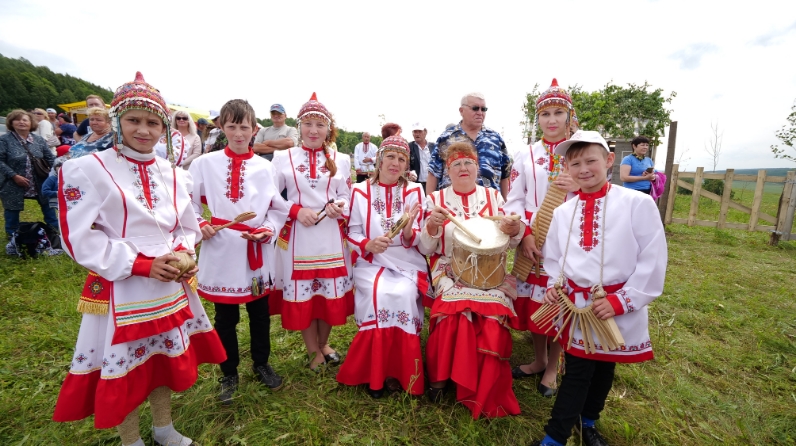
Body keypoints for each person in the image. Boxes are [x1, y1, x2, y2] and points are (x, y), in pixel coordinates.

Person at [52, 72, 226, 446]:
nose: (143, 130)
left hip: (169, 285)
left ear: (164, 128)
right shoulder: (88, 170)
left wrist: (184, 252)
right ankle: (131, 440)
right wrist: (141, 264)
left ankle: (164, 430)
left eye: (152, 122)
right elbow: (77, 238)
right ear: (117, 120)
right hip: (123, 286)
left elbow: (188, 225)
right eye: (133, 120)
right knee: (126, 366)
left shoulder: (174, 174)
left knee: (161, 361)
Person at [530, 130, 667, 446]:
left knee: (605, 368)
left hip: (615, 305)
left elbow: (653, 257)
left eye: (590, 161)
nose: (583, 170)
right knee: (578, 371)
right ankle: (555, 437)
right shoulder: (563, 212)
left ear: (609, 160)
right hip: (578, 309)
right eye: (575, 164)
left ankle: (588, 422)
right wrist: (554, 285)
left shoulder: (637, 203)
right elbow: (555, 257)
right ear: (567, 168)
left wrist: (622, 301)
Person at [190, 99, 290, 405]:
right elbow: (187, 203)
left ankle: (261, 363)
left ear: (254, 129)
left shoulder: (266, 167)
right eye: (231, 126)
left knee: (259, 313)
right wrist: (200, 224)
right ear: (221, 126)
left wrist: (268, 230)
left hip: (254, 249)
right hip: (221, 247)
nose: (238, 133)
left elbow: (277, 209)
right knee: (225, 317)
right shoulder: (204, 164)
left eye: (244, 127)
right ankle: (229, 371)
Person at [419, 141, 522, 419]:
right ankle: (440, 378)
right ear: (447, 170)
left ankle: (484, 387)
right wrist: (432, 225)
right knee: (455, 312)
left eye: (468, 163)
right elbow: (426, 247)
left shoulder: (494, 197)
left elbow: (512, 242)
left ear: (477, 167)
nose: (463, 168)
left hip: (491, 271)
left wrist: (514, 229)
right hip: (448, 266)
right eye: (456, 164)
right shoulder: (435, 200)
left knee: (492, 317)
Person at [503, 78, 580, 397]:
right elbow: (514, 199)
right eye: (545, 114)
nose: (551, 120)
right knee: (535, 301)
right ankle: (539, 359)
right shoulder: (526, 154)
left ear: (569, 116)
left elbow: (598, 190)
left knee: (560, 299)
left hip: (570, 238)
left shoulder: (580, 152)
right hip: (533, 238)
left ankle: (553, 365)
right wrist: (524, 234)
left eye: (558, 113)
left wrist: (578, 187)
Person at [336, 136, 427, 398]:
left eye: (402, 159)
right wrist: (369, 244)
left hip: (406, 260)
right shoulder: (359, 191)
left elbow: (417, 236)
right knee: (379, 295)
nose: (395, 163)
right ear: (379, 159)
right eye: (391, 157)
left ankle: (400, 371)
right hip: (371, 261)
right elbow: (352, 232)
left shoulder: (414, 190)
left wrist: (408, 229)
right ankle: (376, 374)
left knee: (403, 295)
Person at [271, 93, 354, 371]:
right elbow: (272, 196)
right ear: (299, 127)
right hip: (300, 237)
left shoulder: (341, 159)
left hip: (331, 235)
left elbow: (347, 195)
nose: (314, 130)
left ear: (329, 128)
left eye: (320, 124)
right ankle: (312, 350)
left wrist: (338, 206)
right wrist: (296, 211)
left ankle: (324, 343)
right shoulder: (283, 157)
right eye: (308, 124)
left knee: (328, 293)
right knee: (306, 294)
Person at [427, 93, 511, 199]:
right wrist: (430, 204)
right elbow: (433, 173)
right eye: (475, 108)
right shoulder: (446, 138)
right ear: (461, 111)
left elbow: (505, 175)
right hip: (452, 204)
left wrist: (504, 203)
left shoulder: (496, 139)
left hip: (490, 205)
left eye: (483, 109)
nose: (480, 113)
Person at [0, 109, 59, 238]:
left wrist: (61, 167)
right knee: (12, 209)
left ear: (31, 123)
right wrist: (14, 176)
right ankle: (13, 236)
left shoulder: (38, 140)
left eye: (25, 120)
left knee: (47, 206)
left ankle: (55, 231)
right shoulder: (4, 140)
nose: (21, 122)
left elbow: (50, 158)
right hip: (12, 182)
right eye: (17, 119)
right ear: (11, 122)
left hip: (38, 180)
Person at [408, 122, 434, 191]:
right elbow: (405, 164)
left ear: (425, 132)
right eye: (415, 132)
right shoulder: (409, 147)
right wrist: (409, 173)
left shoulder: (433, 147)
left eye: (419, 131)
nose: (417, 134)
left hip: (432, 184)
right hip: (416, 185)